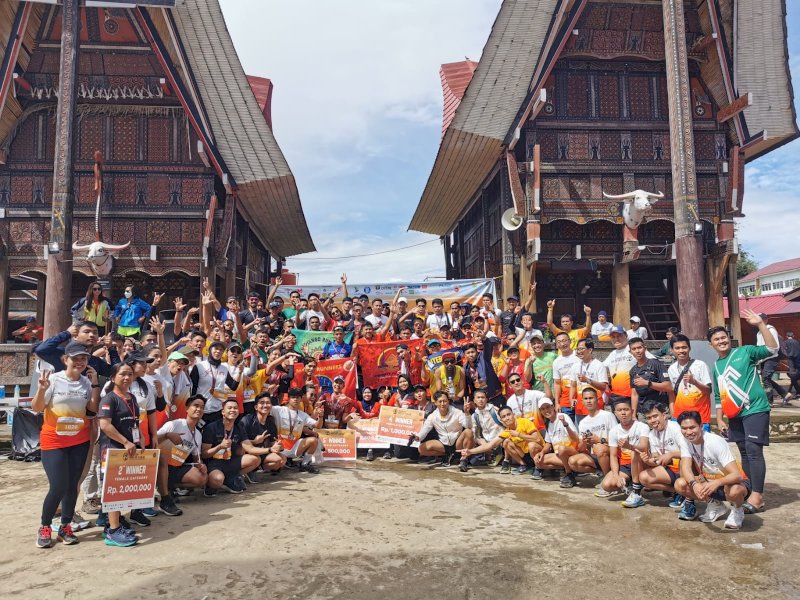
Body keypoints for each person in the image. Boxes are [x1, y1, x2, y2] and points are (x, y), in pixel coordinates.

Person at [707, 310, 778, 513]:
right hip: (734, 415)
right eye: (716, 339)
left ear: (729, 339)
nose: (721, 341)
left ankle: (758, 496)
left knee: (754, 450)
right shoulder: (717, 366)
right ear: (711, 345)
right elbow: (720, 396)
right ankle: (749, 489)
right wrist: (720, 419)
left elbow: (772, 348)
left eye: (723, 337)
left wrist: (760, 325)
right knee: (744, 452)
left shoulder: (745, 352)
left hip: (755, 409)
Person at [32, 342, 100, 548]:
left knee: (72, 486)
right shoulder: (53, 379)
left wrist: (95, 384)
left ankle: (65, 526)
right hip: (54, 440)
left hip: (79, 440)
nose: (80, 362)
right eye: (75, 358)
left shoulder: (86, 383)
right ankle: (45, 526)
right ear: (65, 360)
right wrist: (42, 390)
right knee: (58, 485)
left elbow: (92, 410)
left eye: (83, 359)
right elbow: (37, 407)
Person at [674, 411, 751, 529]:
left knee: (734, 490)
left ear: (701, 426)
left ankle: (737, 510)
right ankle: (715, 504)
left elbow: (737, 475)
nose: (688, 432)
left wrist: (717, 482)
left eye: (692, 427)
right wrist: (694, 484)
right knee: (680, 484)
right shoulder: (685, 440)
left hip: (732, 483)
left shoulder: (715, 442)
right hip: (708, 481)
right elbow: (685, 467)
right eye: (684, 428)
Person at [96, 363, 141, 547]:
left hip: (129, 449)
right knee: (112, 489)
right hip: (112, 450)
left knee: (124, 488)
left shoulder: (132, 398)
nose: (127, 377)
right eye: (122, 374)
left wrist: (141, 441)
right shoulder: (109, 399)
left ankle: (113, 525)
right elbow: (105, 425)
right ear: (113, 377)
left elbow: (136, 422)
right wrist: (125, 442)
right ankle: (113, 531)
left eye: (130, 374)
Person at [156, 395, 208, 514]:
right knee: (163, 459)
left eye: (202, 407)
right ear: (186, 409)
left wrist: (201, 465)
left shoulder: (198, 435)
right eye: (195, 406)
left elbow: (197, 458)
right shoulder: (175, 424)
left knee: (202, 478)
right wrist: (167, 435)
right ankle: (163, 493)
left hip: (176, 467)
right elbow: (153, 441)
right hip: (159, 465)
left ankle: (169, 487)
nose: (199, 409)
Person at [200, 398, 264, 495]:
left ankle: (231, 478)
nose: (232, 410)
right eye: (229, 408)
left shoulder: (239, 427)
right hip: (213, 463)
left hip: (230, 461)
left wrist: (271, 449)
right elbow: (204, 454)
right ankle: (211, 485)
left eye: (235, 408)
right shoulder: (212, 427)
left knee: (255, 459)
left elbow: (250, 448)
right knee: (217, 479)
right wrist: (220, 447)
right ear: (223, 412)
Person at [597, 398, 650, 503]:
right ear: (615, 413)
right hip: (625, 465)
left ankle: (637, 491)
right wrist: (616, 476)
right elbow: (613, 456)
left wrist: (629, 446)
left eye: (626, 409)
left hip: (642, 462)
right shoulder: (614, 431)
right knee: (606, 485)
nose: (623, 413)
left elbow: (644, 447)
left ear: (632, 411)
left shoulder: (642, 426)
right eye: (620, 410)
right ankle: (629, 484)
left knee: (635, 452)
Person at [638, 402, 684, 509]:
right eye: (649, 418)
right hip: (669, 468)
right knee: (644, 478)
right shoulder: (651, 434)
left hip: (685, 468)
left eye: (655, 416)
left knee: (683, 462)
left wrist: (671, 454)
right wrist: (648, 461)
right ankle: (677, 491)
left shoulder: (675, 428)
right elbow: (656, 458)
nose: (652, 420)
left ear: (664, 415)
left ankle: (685, 494)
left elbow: (689, 452)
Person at [666, 334, 717, 432]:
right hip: (679, 417)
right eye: (677, 348)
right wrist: (673, 412)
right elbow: (672, 393)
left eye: (684, 347)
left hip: (700, 416)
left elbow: (708, 390)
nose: (681, 351)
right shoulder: (671, 368)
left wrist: (694, 382)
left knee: (702, 445)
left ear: (689, 348)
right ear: (672, 350)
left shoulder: (700, 365)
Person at [412, 391, 474, 471]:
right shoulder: (432, 416)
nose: (442, 404)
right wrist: (417, 437)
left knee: (469, 432)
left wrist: (467, 413)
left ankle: (464, 459)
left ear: (448, 401)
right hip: (443, 444)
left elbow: (468, 426)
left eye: (445, 401)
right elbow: (425, 430)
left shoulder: (457, 412)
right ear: (435, 403)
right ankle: (448, 455)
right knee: (421, 449)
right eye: (440, 401)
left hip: (458, 443)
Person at [271, 387, 323, 473]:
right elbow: (265, 408)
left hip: (295, 447)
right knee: (276, 466)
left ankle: (304, 464)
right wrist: (270, 394)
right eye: (293, 397)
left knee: (313, 440)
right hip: (279, 447)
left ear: (301, 399)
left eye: (298, 397)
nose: (295, 399)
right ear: (288, 398)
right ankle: (279, 464)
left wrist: (320, 416)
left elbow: (317, 426)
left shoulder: (303, 415)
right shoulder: (278, 410)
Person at [568, 388, 617, 478]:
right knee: (572, 461)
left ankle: (607, 479)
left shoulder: (607, 415)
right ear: (582, 401)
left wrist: (599, 440)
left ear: (597, 399)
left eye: (591, 398)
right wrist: (584, 442)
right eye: (586, 399)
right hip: (594, 455)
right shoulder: (583, 422)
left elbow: (617, 438)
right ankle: (601, 471)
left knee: (599, 448)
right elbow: (581, 448)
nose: (588, 401)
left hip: (610, 452)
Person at [481, 405, 544, 475]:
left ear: (513, 415)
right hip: (526, 455)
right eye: (504, 417)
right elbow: (490, 445)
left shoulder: (525, 422)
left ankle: (538, 467)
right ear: (501, 420)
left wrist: (518, 434)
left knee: (531, 445)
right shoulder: (507, 431)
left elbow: (537, 439)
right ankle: (524, 465)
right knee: (506, 442)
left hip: (540, 454)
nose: (507, 418)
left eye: (508, 415)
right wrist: (470, 452)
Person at [532, 398, 580, 487]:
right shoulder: (549, 423)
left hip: (572, 452)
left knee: (561, 448)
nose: (546, 410)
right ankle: (567, 468)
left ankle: (569, 474)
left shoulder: (563, 416)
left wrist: (565, 424)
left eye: (548, 407)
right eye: (543, 409)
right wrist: (542, 452)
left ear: (553, 407)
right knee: (539, 462)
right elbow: (548, 443)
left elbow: (576, 439)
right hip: (560, 455)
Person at [239, 393, 286, 476]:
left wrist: (279, 446)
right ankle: (241, 474)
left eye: (268, 403)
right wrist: (254, 441)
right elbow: (239, 443)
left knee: (282, 459)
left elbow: (272, 443)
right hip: (247, 453)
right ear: (256, 407)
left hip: (262, 453)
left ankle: (255, 470)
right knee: (256, 458)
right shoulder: (247, 420)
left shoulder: (270, 422)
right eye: (262, 403)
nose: (265, 405)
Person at [568, 338, 608, 425]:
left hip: (596, 407)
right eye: (578, 349)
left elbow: (603, 386)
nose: (579, 351)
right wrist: (571, 399)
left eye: (582, 349)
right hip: (580, 407)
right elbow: (573, 385)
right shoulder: (575, 366)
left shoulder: (599, 365)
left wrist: (587, 380)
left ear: (590, 350)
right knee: (582, 435)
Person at [462, 389, 504, 466]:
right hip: (487, 442)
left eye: (483, 397)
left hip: (500, 441)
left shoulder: (494, 410)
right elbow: (469, 429)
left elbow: (505, 424)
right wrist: (467, 413)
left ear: (486, 399)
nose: (481, 400)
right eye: (478, 398)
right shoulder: (475, 415)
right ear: (474, 400)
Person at [628, 337, 670, 415]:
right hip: (643, 413)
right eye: (634, 349)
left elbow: (668, 386)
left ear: (645, 348)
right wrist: (633, 415)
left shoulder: (656, 364)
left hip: (659, 409)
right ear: (630, 352)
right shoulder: (633, 370)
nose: (637, 351)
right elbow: (634, 394)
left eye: (639, 348)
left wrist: (647, 383)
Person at [756, 313, 789, 404]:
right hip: (763, 358)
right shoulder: (759, 332)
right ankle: (784, 393)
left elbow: (775, 346)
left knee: (766, 378)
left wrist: (766, 354)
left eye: (761, 319)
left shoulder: (770, 329)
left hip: (771, 357)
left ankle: (769, 400)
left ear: (766, 320)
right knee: (765, 379)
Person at [552, 332, 581, 421]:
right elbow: (557, 384)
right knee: (568, 429)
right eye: (559, 342)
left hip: (581, 397)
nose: (562, 344)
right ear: (557, 345)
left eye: (564, 341)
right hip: (565, 401)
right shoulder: (556, 362)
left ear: (570, 341)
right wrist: (557, 403)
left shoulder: (579, 355)